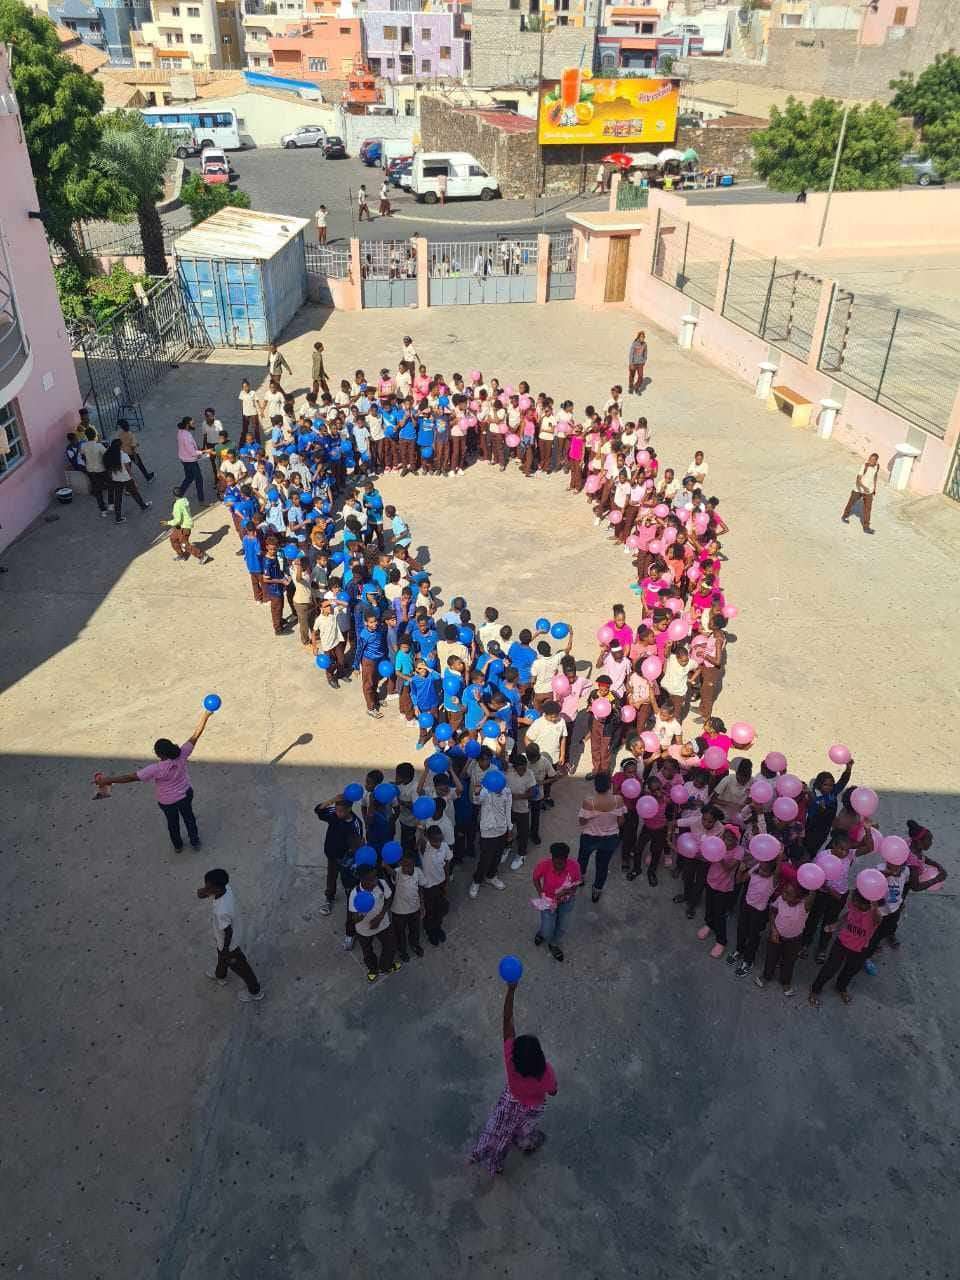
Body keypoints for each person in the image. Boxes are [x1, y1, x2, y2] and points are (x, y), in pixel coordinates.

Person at [93, 707, 213, 851]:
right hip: (185, 795)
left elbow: (129, 778)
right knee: (189, 818)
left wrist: (107, 780)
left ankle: (178, 846)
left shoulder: (155, 769)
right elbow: (196, 734)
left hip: (167, 801)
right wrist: (206, 714)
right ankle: (195, 842)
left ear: (159, 755)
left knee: (172, 823)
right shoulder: (182, 754)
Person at [469, 980, 557, 1176]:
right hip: (532, 1108)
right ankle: (524, 1142)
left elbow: (507, 1019)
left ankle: (488, 1160)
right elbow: (553, 1091)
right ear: (539, 1056)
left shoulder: (510, 1058)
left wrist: (511, 990)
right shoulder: (546, 1072)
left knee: (498, 1129)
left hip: (510, 1100)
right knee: (525, 1130)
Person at [197, 868, 264, 1003]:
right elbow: (208, 892)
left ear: (216, 889)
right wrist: (205, 892)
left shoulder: (222, 911)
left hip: (229, 945)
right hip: (224, 939)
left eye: (208, 887)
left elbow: (228, 932)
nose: (205, 889)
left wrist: (226, 950)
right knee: (222, 958)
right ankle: (220, 975)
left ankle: (255, 991)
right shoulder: (226, 888)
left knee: (241, 967)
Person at [809, 888, 881, 1007]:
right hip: (842, 943)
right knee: (830, 968)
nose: (853, 902)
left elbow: (878, 918)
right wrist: (836, 925)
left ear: (867, 904)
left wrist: (874, 903)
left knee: (850, 970)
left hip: (860, 948)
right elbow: (847, 916)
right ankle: (815, 990)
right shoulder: (853, 906)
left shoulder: (873, 916)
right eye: (853, 900)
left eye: (856, 901)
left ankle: (841, 987)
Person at [315, 794, 363, 928]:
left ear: (349, 809)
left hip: (346, 859)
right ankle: (329, 898)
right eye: (336, 809)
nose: (337, 813)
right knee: (331, 876)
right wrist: (332, 800)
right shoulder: (334, 814)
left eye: (341, 811)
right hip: (331, 855)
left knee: (348, 880)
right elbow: (318, 810)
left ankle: (352, 902)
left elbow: (358, 844)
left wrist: (353, 857)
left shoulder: (355, 824)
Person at [577, 772, 626, 903]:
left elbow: (582, 822)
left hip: (590, 837)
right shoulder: (618, 800)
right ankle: (597, 890)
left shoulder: (589, 802)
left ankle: (580, 879)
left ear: (595, 785)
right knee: (602, 866)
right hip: (610, 839)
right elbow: (621, 821)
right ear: (609, 785)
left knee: (582, 859)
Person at [532, 841, 582, 962]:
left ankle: (553, 944)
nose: (559, 866)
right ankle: (542, 933)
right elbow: (535, 878)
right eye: (556, 863)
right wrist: (541, 893)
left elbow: (576, 883)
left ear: (566, 859)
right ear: (552, 858)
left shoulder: (574, 866)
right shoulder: (544, 865)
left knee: (562, 926)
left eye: (561, 863)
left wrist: (569, 892)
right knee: (547, 930)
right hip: (548, 901)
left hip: (566, 901)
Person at [348, 866, 400, 982]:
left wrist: (380, 916)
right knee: (367, 951)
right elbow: (354, 919)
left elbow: (388, 899)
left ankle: (385, 966)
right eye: (371, 879)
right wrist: (363, 913)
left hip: (383, 924)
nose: (375, 881)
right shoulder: (355, 894)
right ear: (362, 879)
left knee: (391, 945)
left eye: (375, 877)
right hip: (364, 930)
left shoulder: (381, 884)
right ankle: (372, 969)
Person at [103, 438, 151, 524]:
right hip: (126, 478)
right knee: (135, 493)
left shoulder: (108, 455)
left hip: (116, 479)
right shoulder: (123, 455)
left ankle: (118, 517)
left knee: (118, 498)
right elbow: (128, 469)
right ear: (120, 446)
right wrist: (133, 479)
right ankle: (143, 506)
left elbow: (108, 469)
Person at [163, 487, 211, 564]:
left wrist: (168, 523)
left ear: (174, 496)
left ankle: (202, 556)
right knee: (173, 538)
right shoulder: (184, 500)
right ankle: (181, 554)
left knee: (184, 544)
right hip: (182, 526)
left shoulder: (177, 505)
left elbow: (177, 520)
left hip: (183, 527)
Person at [392, 850, 424, 961]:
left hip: (414, 908)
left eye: (409, 865)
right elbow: (393, 873)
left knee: (415, 929)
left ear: (414, 864)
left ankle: (414, 944)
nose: (406, 868)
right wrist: (385, 866)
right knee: (400, 932)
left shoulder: (418, 872)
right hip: (399, 911)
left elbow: (420, 887)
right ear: (400, 863)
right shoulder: (397, 872)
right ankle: (402, 950)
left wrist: (422, 905)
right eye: (404, 865)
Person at [841, 452, 879, 534]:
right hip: (858, 490)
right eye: (870, 459)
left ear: (876, 461)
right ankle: (844, 516)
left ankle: (866, 527)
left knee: (868, 509)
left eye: (872, 460)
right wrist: (864, 488)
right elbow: (858, 480)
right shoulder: (864, 466)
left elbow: (875, 476)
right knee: (851, 503)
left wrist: (874, 488)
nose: (870, 461)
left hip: (869, 491)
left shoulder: (877, 466)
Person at [81, 427, 110, 516]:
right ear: (95, 435)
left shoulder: (83, 446)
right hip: (101, 469)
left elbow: (82, 455)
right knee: (110, 485)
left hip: (90, 470)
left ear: (86, 436)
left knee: (97, 490)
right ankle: (111, 504)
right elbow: (107, 455)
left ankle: (103, 510)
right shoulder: (99, 446)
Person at [177, 416, 207, 503]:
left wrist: (197, 448)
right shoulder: (186, 436)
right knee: (199, 480)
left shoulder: (180, 432)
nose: (194, 425)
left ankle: (179, 494)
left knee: (189, 477)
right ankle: (201, 500)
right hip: (190, 461)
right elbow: (193, 453)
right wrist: (204, 452)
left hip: (184, 459)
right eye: (192, 423)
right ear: (187, 425)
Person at [628, 330, 648, 394]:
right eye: (641, 337)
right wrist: (631, 363)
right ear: (638, 337)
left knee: (641, 377)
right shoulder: (634, 344)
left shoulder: (645, 345)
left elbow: (645, 354)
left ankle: (636, 387)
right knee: (632, 376)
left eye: (643, 337)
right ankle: (631, 387)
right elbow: (631, 354)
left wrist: (644, 361)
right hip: (633, 363)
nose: (642, 338)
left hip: (640, 364)